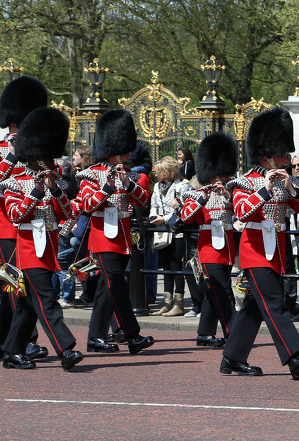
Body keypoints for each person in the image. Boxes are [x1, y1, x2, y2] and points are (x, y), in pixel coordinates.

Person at [218, 107, 299, 379]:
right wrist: (265, 188)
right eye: (283, 155)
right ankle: (295, 356)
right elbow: (242, 211)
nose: (287, 159)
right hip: (254, 251)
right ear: (267, 155)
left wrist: (289, 188)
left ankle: (232, 358)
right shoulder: (244, 182)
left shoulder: (286, 179)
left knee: (253, 307)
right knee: (275, 303)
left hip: (277, 250)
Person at [0, 107, 84, 371]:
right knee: (47, 300)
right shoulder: (13, 182)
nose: (49, 162)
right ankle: (66, 350)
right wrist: (35, 192)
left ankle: (12, 351)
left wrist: (55, 189)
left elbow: (69, 212)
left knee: (27, 307)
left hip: (48, 248)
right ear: (32, 156)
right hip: (27, 250)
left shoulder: (52, 181)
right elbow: (15, 215)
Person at [0, 76, 50, 362]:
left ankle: (3, 342)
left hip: (34, 225)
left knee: (14, 284)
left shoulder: (37, 151)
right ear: (13, 123)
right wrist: (12, 154)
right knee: (19, 284)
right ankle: (25, 340)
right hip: (6, 226)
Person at [77, 110, 155, 355]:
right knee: (115, 285)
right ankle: (132, 335)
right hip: (102, 237)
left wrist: (129, 183)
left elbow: (143, 201)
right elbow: (86, 206)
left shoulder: (132, 174)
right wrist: (108, 189)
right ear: (113, 150)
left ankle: (95, 338)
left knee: (106, 289)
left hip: (123, 237)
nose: (130, 155)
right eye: (126, 151)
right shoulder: (91, 174)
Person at [179, 132, 237, 348]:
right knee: (221, 290)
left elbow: (241, 213)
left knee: (216, 290)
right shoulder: (197, 194)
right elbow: (186, 217)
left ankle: (204, 333)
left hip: (228, 248)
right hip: (209, 248)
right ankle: (233, 331)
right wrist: (203, 198)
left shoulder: (232, 190)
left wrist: (227, 196)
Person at [149, 156, 190, 316]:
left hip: (177, 231)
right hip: (162, 231)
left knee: (176, 267)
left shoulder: (182, 186)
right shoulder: (158, 186)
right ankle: (167, 302)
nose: (156, 175)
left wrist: (164, 219)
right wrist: (154, 217)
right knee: (166, 267)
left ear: (166, 172)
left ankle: (178, 304)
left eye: (158, 172)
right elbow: (153, 205)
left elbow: (182, 209)